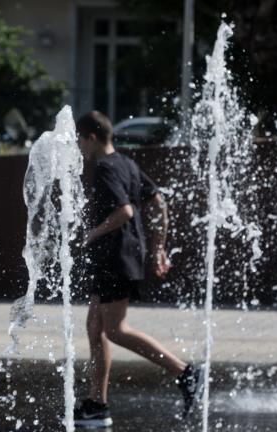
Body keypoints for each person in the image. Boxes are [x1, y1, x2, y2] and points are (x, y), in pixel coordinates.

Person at [73, 111, 203, 428]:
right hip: (116, 257)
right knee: (94, 326)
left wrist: (91, 234)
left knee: (115, 329)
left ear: (90, 137)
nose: (78, 146)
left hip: (116, 257)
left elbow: (125, 211)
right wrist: (157, 247)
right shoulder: (127, 163)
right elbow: (159, 202)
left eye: (79, 139)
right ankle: (96, 403)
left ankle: (185, 372)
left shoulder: (104, 167)